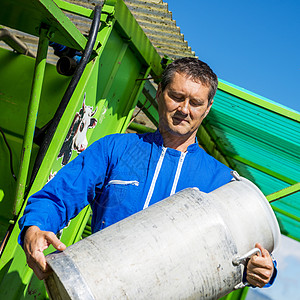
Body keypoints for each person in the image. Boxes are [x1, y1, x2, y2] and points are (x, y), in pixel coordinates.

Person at [19, 57, 276, 288]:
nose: (184, 109)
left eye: (196, 103)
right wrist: (35, 227)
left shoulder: (221, 181)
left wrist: (264, 270)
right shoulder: (115, 148)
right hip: (102, 288)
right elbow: (58, 197)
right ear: (159, 93)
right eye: (176, 96)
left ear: (207, 109)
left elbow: (252, 249)